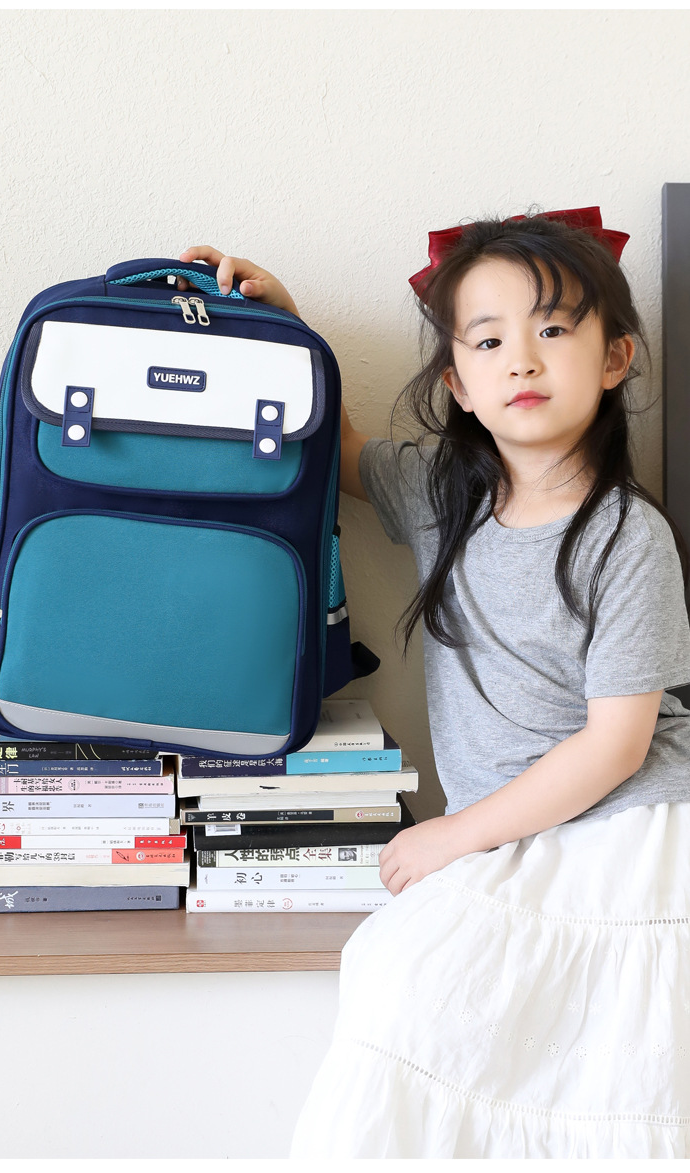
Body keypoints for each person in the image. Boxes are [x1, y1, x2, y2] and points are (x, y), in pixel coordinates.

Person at [178, 210, 690, 1158]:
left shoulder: (628, 535)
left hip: (624, 824)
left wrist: (454, 835)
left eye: (553, 329)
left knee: (602, 1059)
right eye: (488, 341)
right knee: (408, 989)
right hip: (513, 827)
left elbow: (616, 745)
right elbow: (335, 442)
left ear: (616, 357)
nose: (521, 359)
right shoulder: (440, 493)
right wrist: (286, 321)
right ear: (458, 382)